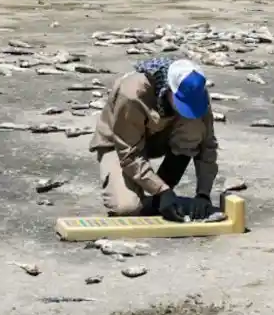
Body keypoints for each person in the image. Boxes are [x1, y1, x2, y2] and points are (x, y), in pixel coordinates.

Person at [88, 57, 219, 222]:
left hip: (159, 140)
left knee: (194, 126)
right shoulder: (132, 94)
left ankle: (162, 198)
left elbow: (207, 145)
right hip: (118, 144)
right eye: (182, 103)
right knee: (127, 208)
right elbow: (129, 154)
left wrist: (203, 195)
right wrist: (162, 190)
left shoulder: (197, 93)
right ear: (168, 89)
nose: (187, 109)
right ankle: (163, 197)